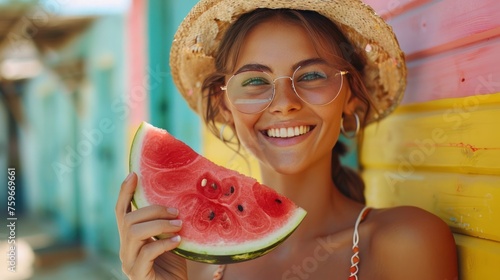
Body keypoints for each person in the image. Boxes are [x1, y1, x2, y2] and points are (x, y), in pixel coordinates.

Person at [115, 0, 459, 279]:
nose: (283, 103)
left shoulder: (408, 243)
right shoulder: (191, 265)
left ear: (351, 95)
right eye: (254, 82)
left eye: (310, 75)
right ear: (224, 108)